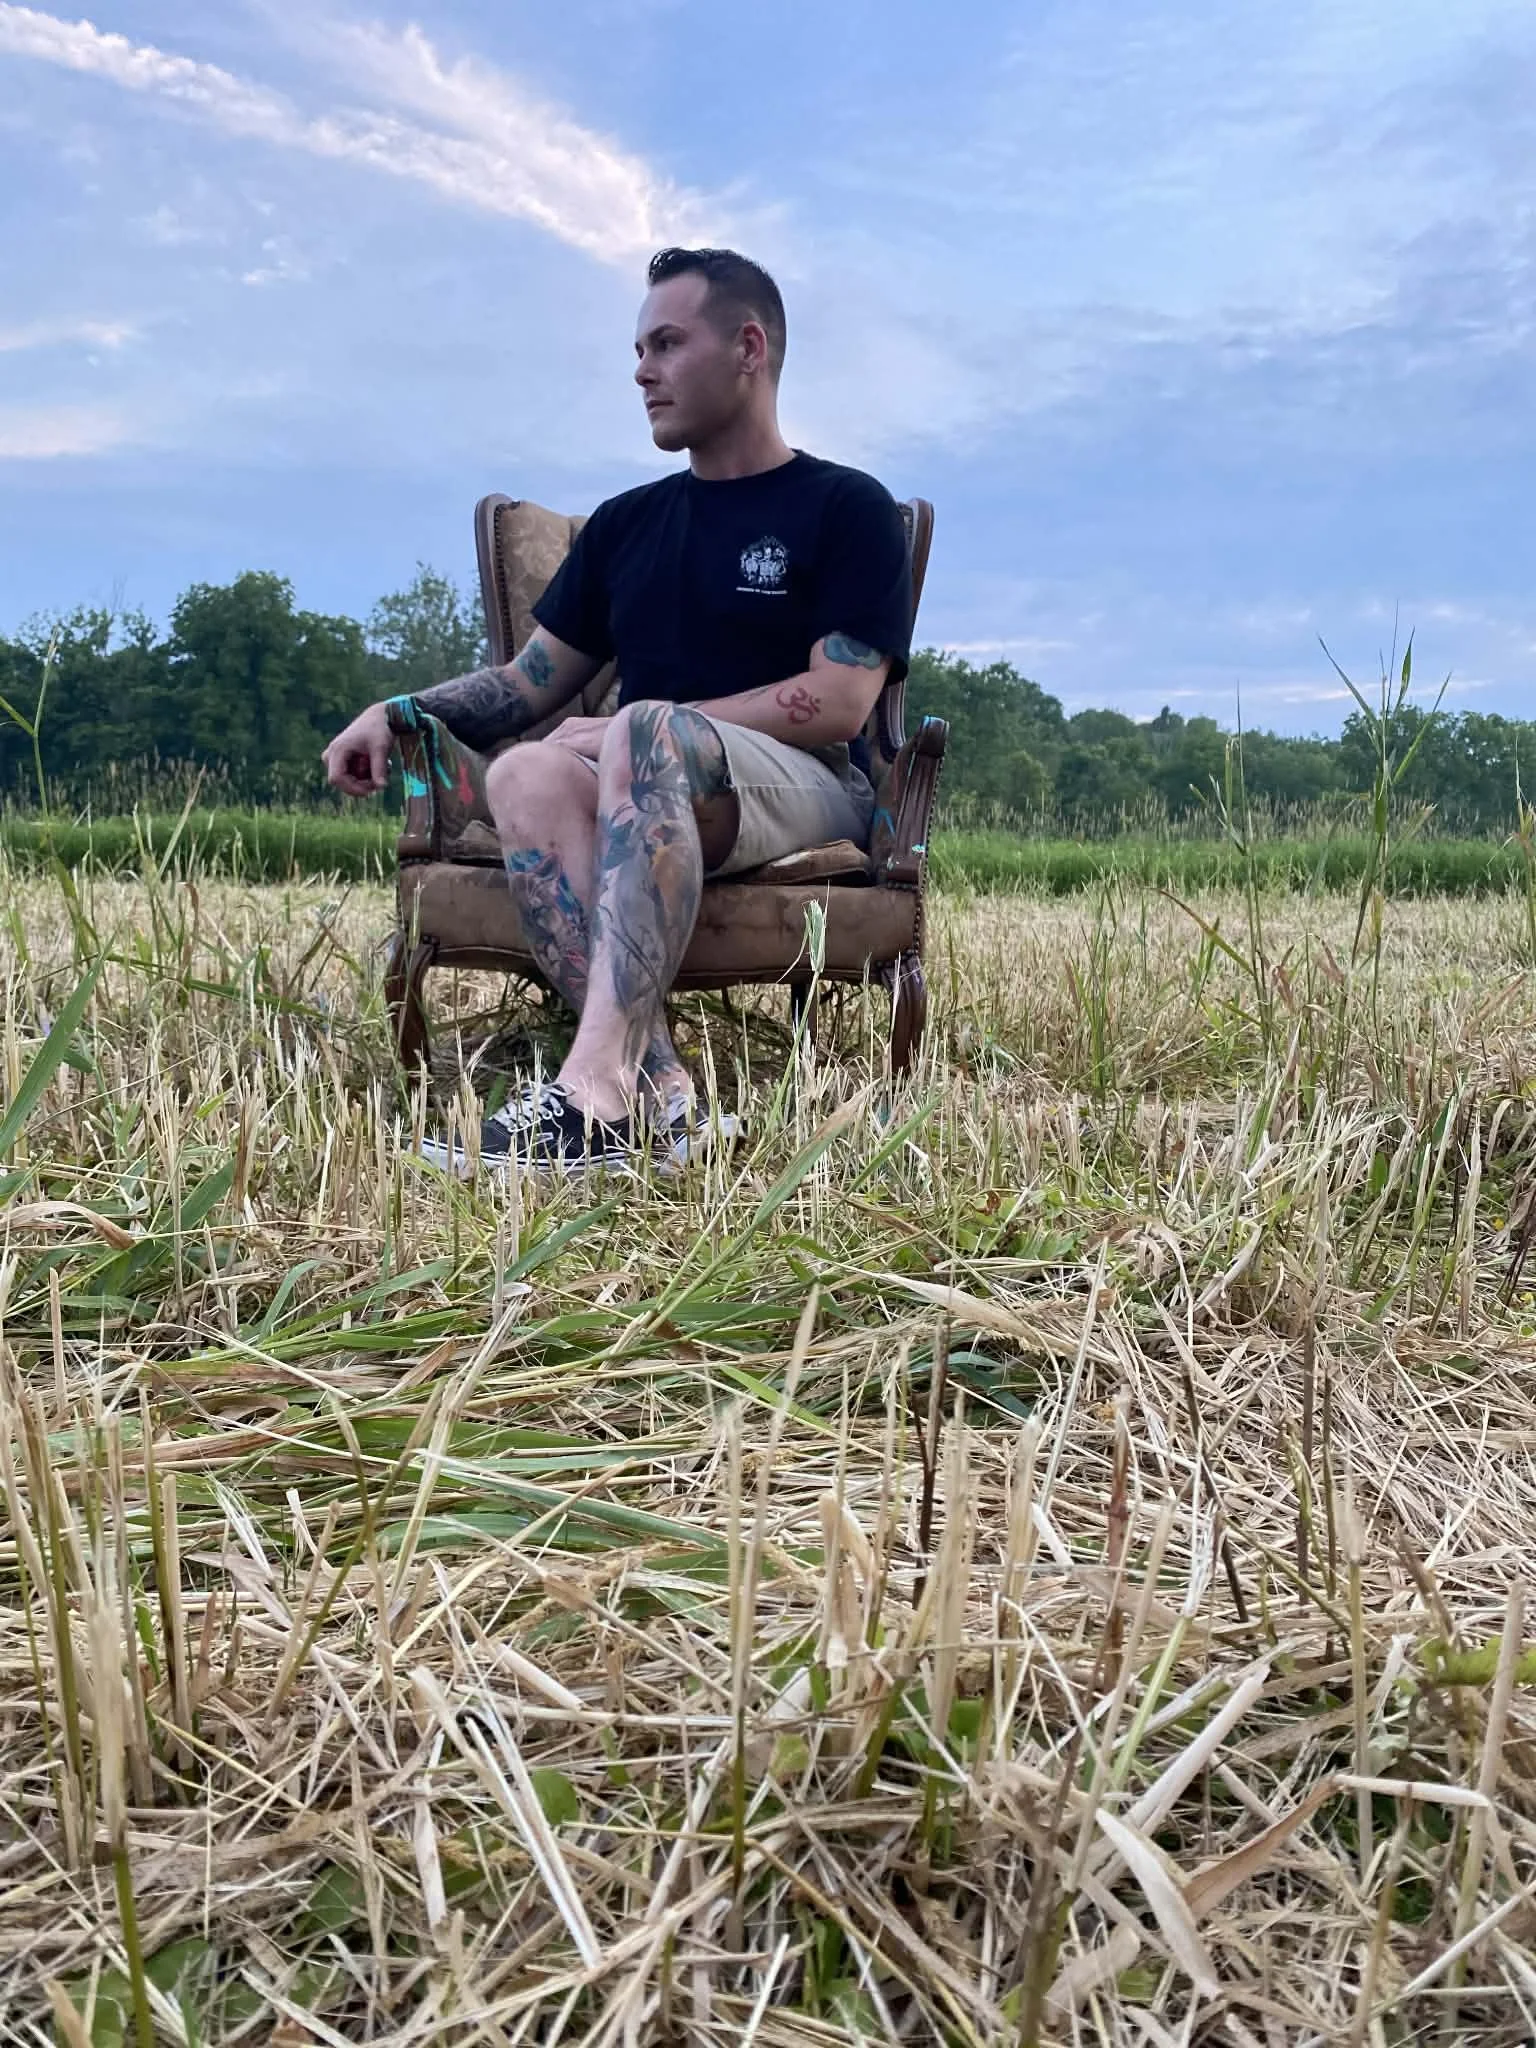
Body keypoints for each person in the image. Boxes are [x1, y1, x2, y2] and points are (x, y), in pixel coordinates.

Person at [323, 246, 913, 1174]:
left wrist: (659, 723)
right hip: (646, 784)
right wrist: (390, 710)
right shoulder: (626, 526)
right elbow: (523, 687)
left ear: (749, 347)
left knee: (642, 729)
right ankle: (661, 1099)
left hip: (797, 791)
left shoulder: (845, 507)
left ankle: (590, 1097)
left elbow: (839, 702)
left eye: (668, 343)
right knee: (525, 768)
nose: (641, 369)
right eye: (639, 348)